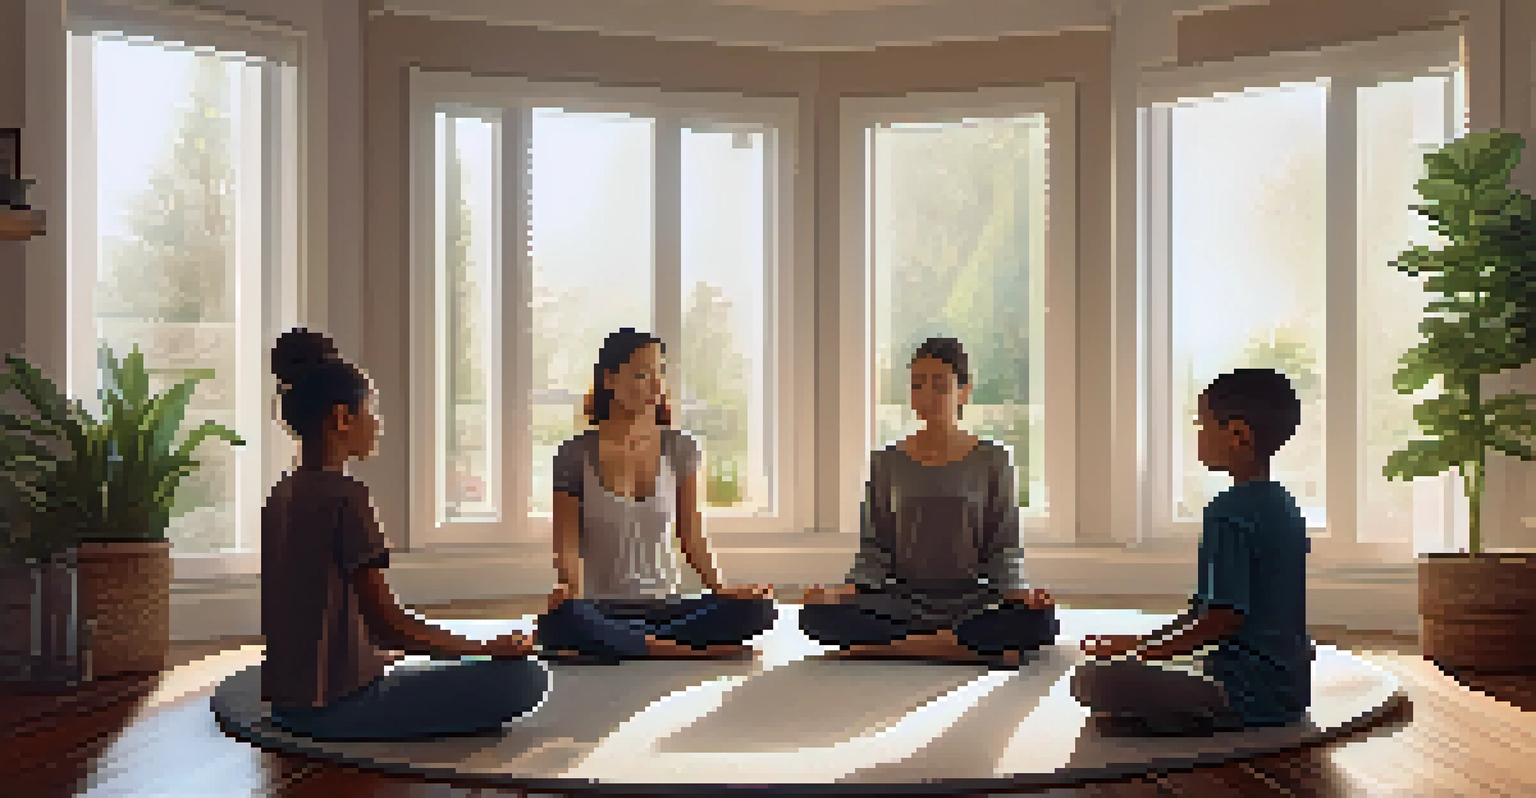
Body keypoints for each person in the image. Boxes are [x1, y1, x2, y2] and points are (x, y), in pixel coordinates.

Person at [260, 328, 549, 741]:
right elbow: (387, 627)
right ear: (343, 418)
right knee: (525, 678)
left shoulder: (282, 492)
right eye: (370, 410)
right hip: (337, 710)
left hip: (286, 705)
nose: (377, 423)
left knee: (440, 666)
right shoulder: (346, 496)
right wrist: (485, 646)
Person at [1073, 368, 1313, 736]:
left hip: (1244, 695)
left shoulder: (1229, 511)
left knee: (1090, 680)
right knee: (1128, 673)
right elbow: (1204, 614)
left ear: (1237, 435)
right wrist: (1138, 642)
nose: (1198, 436)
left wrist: (1142, 656)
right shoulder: (1286, 505)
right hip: (1291, 693)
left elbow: (1221, 620)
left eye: (1202, 426)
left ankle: (1195, 715)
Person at [797, 337, 1057, 667]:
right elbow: (875, 546)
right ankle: (956, 646)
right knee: (815, 616)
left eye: (940, 386)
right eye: (917, 385)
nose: (927, 396)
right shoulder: (886, 462)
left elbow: (1003, 546)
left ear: (964, 391)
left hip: (973, 600)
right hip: (903, 601)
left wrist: (1019, 593)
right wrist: (840, 593)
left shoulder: (993, 459)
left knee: (1042, 621)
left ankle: (886, 648)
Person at [535, 328, 777, 664]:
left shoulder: (680, 448)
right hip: (601, 607)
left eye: (660, 372)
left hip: (669, 606)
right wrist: (569, 592)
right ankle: (676, 649)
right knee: (559, 622)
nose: (655, 385)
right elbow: (567, 543)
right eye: (640, 374)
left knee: (760, 610)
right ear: (609, 379)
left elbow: (690, 533)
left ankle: (629, 644)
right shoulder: (574, 454)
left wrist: (721, 589)